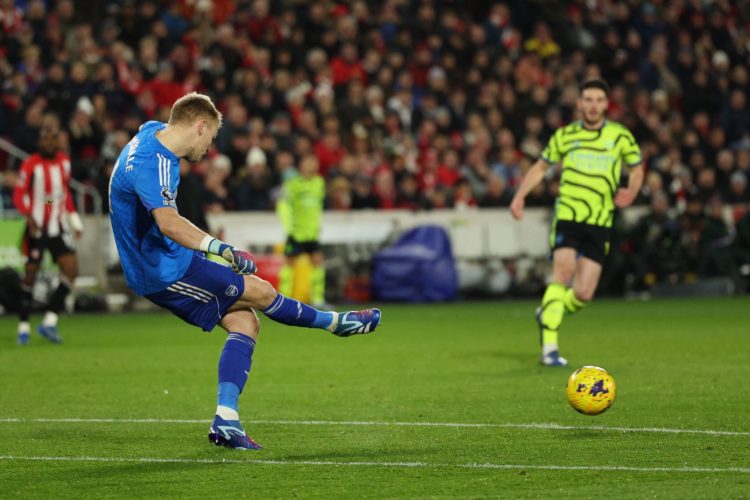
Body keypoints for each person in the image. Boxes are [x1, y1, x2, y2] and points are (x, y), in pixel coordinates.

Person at [108, 93, 381, 450]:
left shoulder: (151, 132)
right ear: (200, 126)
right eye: (211, 138)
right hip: (162, 271)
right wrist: (221, 248)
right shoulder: (153, 161)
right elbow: (170, 223)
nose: (209, 147)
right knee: (261, 291)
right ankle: (335, 324)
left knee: (246, 323)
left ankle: (226, 420)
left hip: (172, 257)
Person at [510, 79, 644, 366]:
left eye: (599, 100)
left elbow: (636, 168)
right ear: (579, 104)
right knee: (563, 272)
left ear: (607, 104)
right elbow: (541, 167)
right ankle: (550, 349)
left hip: (599, 220)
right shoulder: (565, 135)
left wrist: (631, 191)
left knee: (583, 293)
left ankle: (549, 310)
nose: (593, 105)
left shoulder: (620, 137)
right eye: (588, 99)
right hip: (568, 216)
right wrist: (520, 196)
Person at [12, 117, 83, 345]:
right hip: (36, 227)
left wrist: (74, 221)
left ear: (58, 142)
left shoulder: (64, 162)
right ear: (39, 142)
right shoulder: (31, 164)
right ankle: (23, 326)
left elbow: (62, 193)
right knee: (30, 275)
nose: (49, 144)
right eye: (45, 140)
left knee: (71, 270)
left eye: (53, 139)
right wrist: (30, 215)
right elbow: (19, 193)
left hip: (57, 226)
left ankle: (49, 322)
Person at [276, 154, 327, 307]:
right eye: (309, 161)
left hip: (312, 233)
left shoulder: (319, 183)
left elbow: (317, 208)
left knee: (317, 263)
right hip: (296, 232)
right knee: (289, 265)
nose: (312, 164)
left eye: (314, 161)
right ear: (301, 165)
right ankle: (283, 299)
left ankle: (318, 299)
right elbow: (283, 206)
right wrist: (289, 227)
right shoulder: (293, 184)